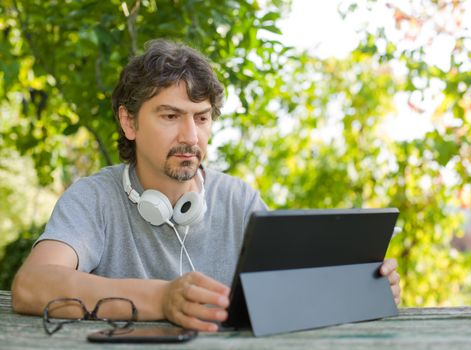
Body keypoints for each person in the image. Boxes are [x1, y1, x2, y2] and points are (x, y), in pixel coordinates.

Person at [11, 39, 401, 332]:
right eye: (170, 115)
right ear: (129, 122)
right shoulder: (92, 199)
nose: (190, 137)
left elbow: (286, 295)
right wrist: (162, 299)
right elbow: (31, 286)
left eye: (201, 118)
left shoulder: (239, 199)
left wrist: (362, 290)